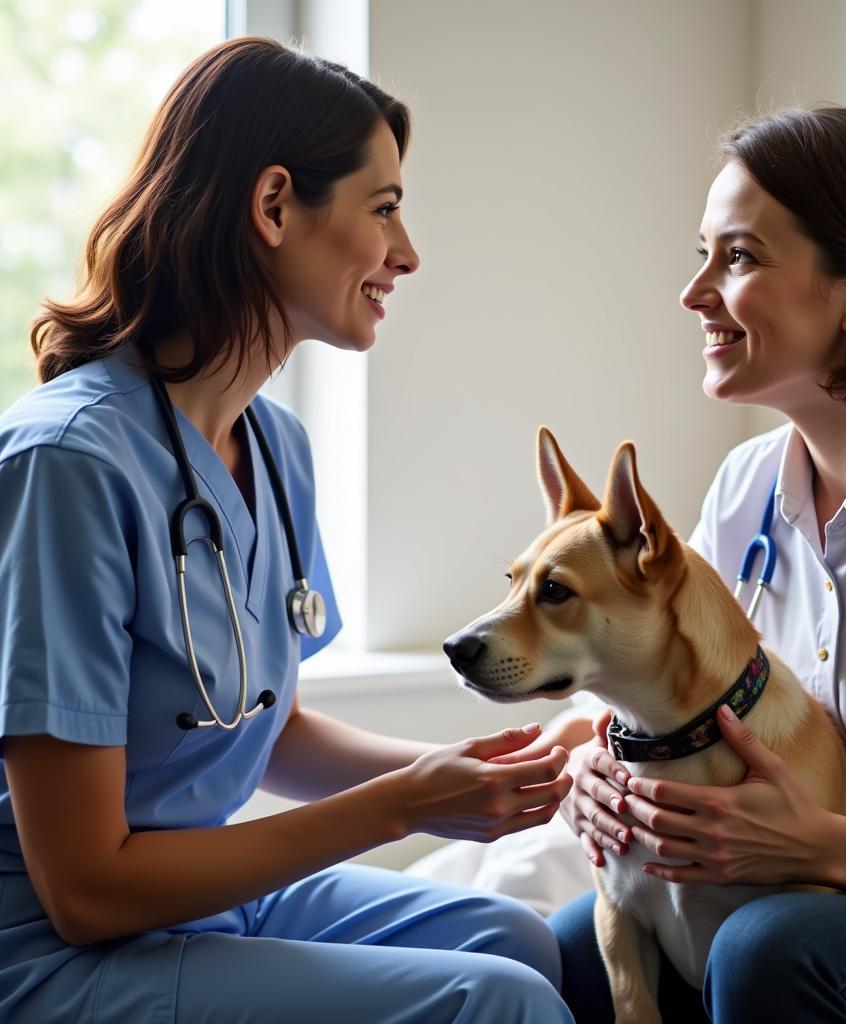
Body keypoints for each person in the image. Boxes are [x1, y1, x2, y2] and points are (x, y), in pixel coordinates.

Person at [0, 37, 575, 1023]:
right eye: (384, 208)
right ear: (273, 207)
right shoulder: (67, 466)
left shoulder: (274, 447)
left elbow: (261, 731)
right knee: (492, 1000)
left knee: (511, 934)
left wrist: (490, 771)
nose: (407, 253)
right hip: (49, 945)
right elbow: (87, 890)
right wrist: (402, 805)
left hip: (186, 905)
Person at [546, 106, 846, 1022]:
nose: (694, 295)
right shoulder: (745, 490)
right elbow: (675, 703)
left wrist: (823, 850)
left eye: (738, 258)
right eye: (703, 255)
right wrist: (593, 771)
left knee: (772, 949)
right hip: (845, 903)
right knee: (575, 945)